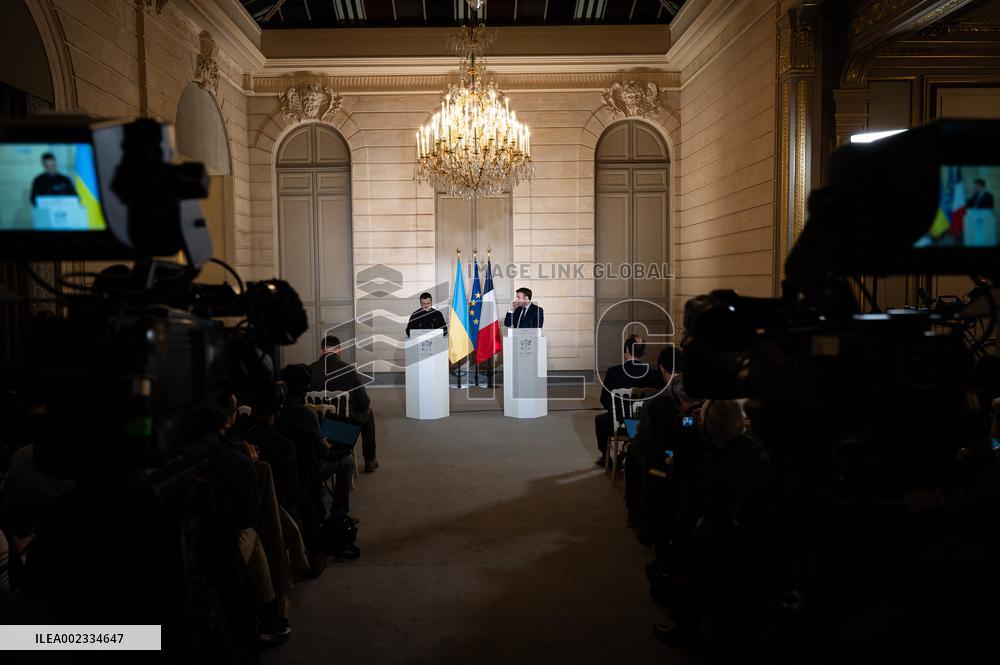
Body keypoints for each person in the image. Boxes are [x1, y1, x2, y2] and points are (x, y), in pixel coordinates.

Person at [308, 335, 379, 473]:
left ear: (322, 351)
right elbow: (364, 403)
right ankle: (370, 460)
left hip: (315, 427)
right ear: (339, 351)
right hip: (342, 428)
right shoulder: (349, 370)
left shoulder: (308, 370)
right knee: (368, 412)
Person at [594, 334, 665, 467]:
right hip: (644, 424)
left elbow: (604, 400)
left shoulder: (613, 372)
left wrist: (619, 413)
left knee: (600, 420)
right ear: (643, 352)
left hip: (620, 423)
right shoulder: (654, 373)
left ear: (626, 349)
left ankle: (606, 458)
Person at [964, 177, 997, 247]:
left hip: (985, 220)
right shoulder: (974, 195)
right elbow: (967, 206)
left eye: (977, 185)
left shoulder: (989, 195)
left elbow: (990, 208)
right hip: (974, 220)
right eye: (975, 186)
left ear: (982, 186)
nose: (975, 187)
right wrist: (971, 196)